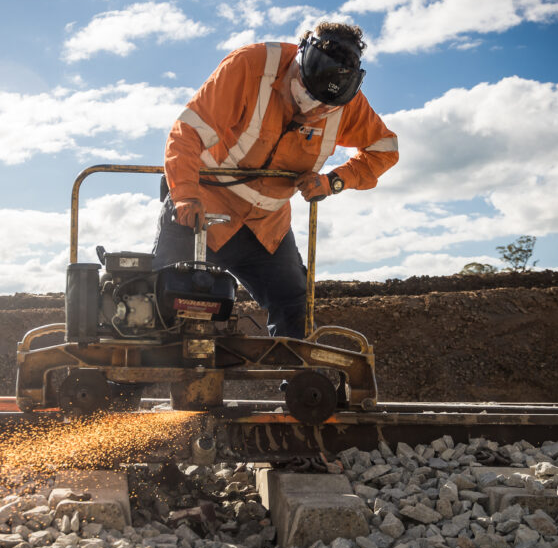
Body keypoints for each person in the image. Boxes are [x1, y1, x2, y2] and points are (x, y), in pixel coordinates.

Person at [154, 21, 398, 338]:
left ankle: (299, 382)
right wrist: (185, 196)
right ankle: (125, 383)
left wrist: (333, 181)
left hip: (265, 226)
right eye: (303, 95)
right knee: (156, 310)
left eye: (321, 109)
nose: (308, 112)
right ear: (297, 61)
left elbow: (384, 150)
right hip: (200, 212)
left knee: (294, 306)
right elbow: (187, 133)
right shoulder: (250, 65)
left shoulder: (347, 103)